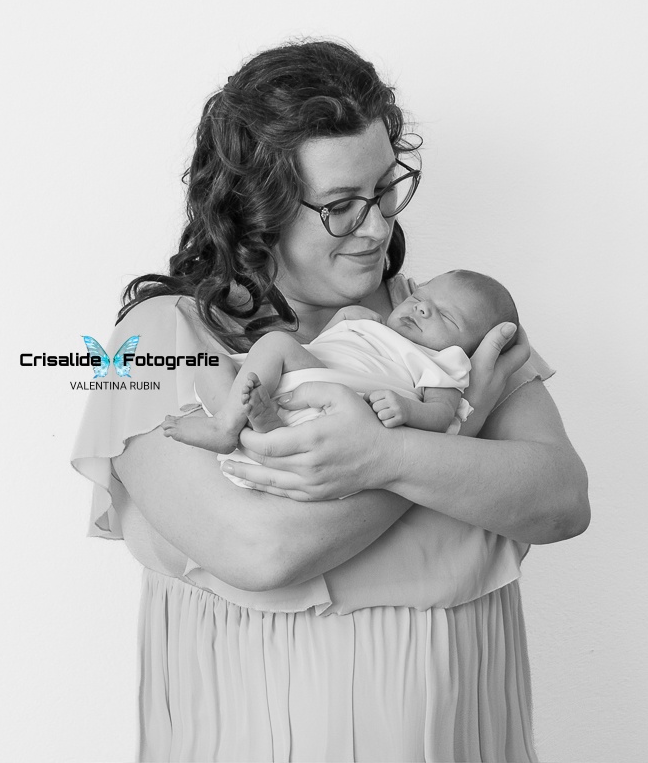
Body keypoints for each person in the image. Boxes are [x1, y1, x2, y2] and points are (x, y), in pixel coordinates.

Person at [70, 39, 589, 762]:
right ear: (259, 206)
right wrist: (448, 438)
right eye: (342, 205)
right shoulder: (160, 339)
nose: (377, 226)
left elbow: (562, 499)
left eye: (384, 190)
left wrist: (389, 452)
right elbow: (260, 547)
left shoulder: (446, 327)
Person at [161, 269, 519, 457]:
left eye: (445, 316)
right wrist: (342, 321)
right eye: (421, 298)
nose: (422, 308)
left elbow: (443, 416)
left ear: (467, 348)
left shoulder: (443, 361)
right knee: (210, 363)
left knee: (275, 343)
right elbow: (322, 348)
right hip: (302, 377)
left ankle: (228, 426)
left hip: (342, 400)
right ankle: (255, 422)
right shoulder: (373, 324)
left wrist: (408, 411)